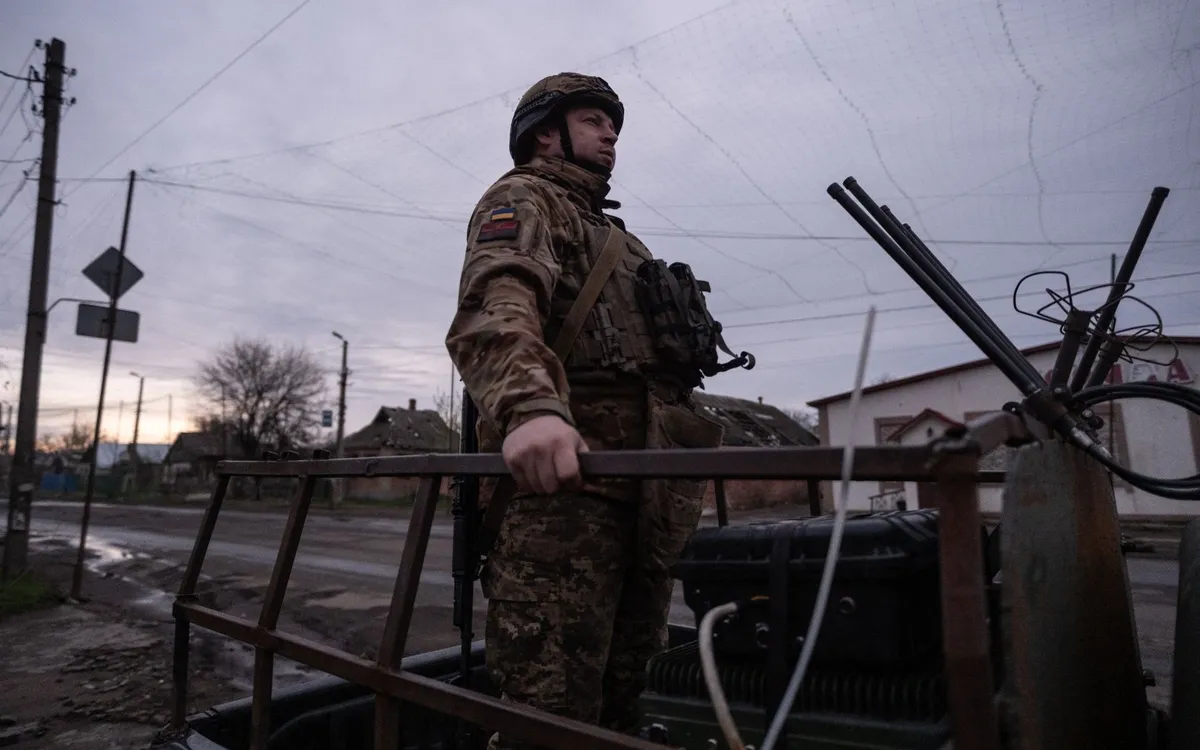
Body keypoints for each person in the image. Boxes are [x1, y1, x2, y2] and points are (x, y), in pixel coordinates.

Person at [445, 72, 742, 748]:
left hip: (647, 497)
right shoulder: (522, 199)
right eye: (593, 120)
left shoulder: (623, 242)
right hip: (564, 502)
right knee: (550, 716)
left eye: (613, 124)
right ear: (546, 132)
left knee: (622, 701)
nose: (611, 133)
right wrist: (530, 411)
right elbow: (496, 304)